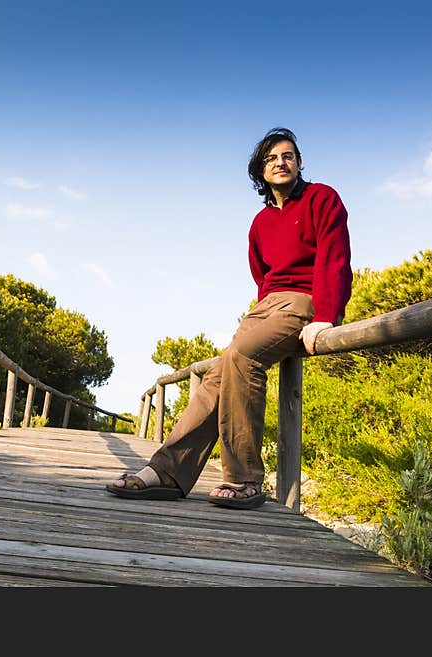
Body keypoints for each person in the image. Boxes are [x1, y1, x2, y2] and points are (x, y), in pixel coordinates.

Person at [106, 127, 352, 509]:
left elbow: (334, 259)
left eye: (288, 156)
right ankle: (168, 471)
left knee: (242, 356)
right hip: (265, 307)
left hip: (303, 303)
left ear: (300, 163)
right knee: (217, 375)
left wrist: (325, 316)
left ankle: (244, 479)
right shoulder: (260, 223)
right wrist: (257, 317)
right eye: (271, 159)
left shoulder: (323, 198)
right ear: (262, 172)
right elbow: (262, 276)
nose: (280, 163)